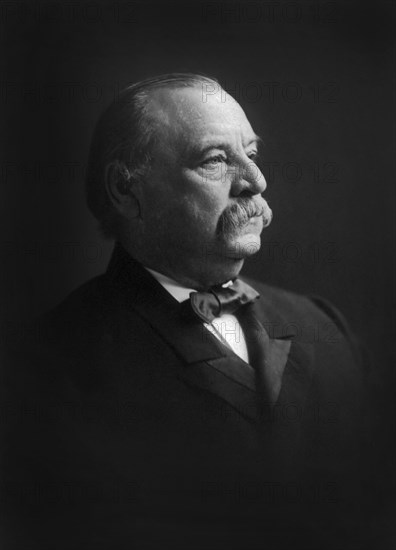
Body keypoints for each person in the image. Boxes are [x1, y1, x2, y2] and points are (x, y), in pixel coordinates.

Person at [2, 74, 373, 549]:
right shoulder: (49, 367)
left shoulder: (325, 328)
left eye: (252, 154)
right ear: (125, 189)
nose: (256, 181)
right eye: (215, 160)